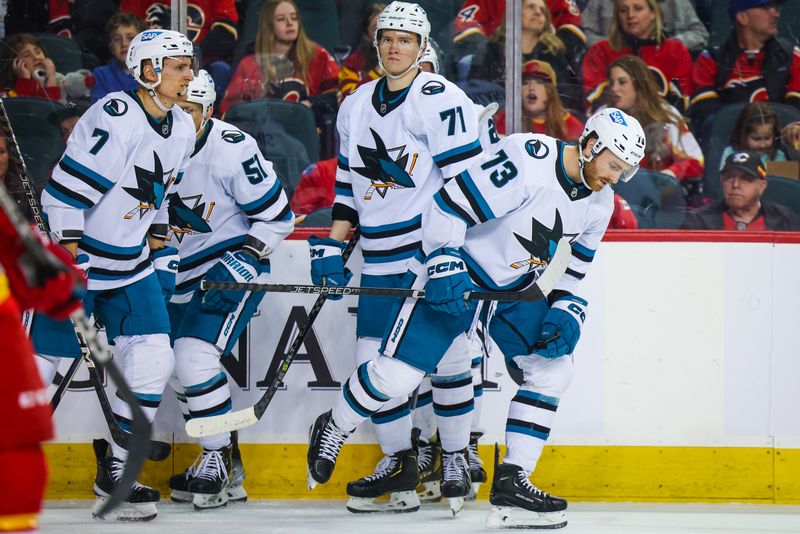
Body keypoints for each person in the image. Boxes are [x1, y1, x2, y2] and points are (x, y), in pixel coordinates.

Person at [306, 107, 646, 530]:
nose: (615, 177)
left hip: (514, 292)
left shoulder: (600, 200)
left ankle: (513, 480)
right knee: (396, 378)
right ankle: (333, 425)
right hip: (461, 274)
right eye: (614, 165)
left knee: (553, 371)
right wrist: (445, 257)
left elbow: (575, 262)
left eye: (625, 171)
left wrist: (565, 304)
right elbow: (448, 205)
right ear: (591, 144)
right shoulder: (528, 158)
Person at [306, 1, 487, 514]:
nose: (394, 46)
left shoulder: (438, 97)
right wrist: (337, 246)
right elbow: (346, 187)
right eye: (387, 37)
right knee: (372, 367)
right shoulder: (355, 104)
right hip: (378, 258)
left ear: (421, 45)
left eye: (405, 39)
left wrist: (452, 254)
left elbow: (465, 185)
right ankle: (401, 461)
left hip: (431, 253)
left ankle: (453, 456)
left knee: (451, 362)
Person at [39, 28, 197, 521]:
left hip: (128, 267)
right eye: (178, 67)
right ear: (148, 71)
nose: (189, 75)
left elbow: (158, 199)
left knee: (154, 354)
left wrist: (160, 249)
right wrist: (69, 262)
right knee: (38, 373)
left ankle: (117, 471)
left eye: (190, 65)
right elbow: (61, 197)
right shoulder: (117, 114)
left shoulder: (184, 127)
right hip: (78, 259)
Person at [165, 70, 294, 510]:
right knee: (166, 363)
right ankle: (230, 466)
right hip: (172, 272)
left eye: (190, 111)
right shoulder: (147, 142)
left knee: (192, 356)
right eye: (175, 109)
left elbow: (279, 216)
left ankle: (215, 456)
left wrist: (246, 258)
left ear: (208, 110)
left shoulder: (232, 149)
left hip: (229, 267)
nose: (181, 119)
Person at [691, 0, 800, 131]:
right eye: (766, 8)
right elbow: (708, 116)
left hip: (780, 143)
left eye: (776, 7)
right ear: (742, 17)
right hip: (729, 145)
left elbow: (794, 112)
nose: (776, 14)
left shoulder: (792, 56)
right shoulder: (709, 59)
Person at [220, 0, 339, 115]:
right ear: (268, 26)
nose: (290, 23)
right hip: (262, 131)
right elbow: (230, 109)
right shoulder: (249, 64)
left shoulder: (318, 55)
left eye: (294, 18)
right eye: (281, 19)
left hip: (307, 129)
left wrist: (313, 103)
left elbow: (337, 91)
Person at [466, 0, 581, 110]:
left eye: (542, 10)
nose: (537, 12)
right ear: (514, 12)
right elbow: (481, 93)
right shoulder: (494, 50)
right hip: (501, 120)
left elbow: (567, 95)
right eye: (531, 7)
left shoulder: (554, 53)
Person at [606, 55, 704, 182]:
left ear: (639, 85)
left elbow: (695, 162)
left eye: (622, 82)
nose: (614, 89)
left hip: (656, 194)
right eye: (611, 83)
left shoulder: (666, 115)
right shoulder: (603, 116)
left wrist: (668, 174)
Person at [582, 0, 692, 113]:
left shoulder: (676, 50)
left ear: (653, 13)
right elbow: (595, 100)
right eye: (623, 10)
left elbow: (680, 102)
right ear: (617, 16)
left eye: (638, 8)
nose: (630, 15)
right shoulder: (600, 50)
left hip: (660, 121)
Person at [120, 0, 239, 99]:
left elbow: (226, 34)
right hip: (153, 62)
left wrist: (192, 52)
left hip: (201, 63)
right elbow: (125, 30)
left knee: (220, 70)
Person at [682, 150, 800, 230]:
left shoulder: (786, 219)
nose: (736, 185)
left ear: (762, 185)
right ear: (721, 181)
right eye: (729, 177)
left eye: (746, 179)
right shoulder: (697, 220)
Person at [494, 60, 584, 139]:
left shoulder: (570, 126)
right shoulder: (506, 119)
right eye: (525, 83)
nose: (531, 87)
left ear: (550, 91)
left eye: (539, 82)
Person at [582, 0, 709, 54]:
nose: (630, 15)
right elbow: (582, 34)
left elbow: (699, 34)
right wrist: (613, 47)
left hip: (664, 65)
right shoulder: (599, 2)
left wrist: (666, 46)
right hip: (612, 65)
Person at [91, 12, 148, 103]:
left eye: (130, 38)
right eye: (117, 39)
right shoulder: (101, 74)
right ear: (111, 47)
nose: (124, 44)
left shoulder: (154, 73)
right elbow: (99, 110)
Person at [720, 102, 792, 169]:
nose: (762, 145)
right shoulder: (730, 154)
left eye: (767, 138)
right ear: (743, 135)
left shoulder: (778, 157)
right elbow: (724, 180)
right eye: (756, 139)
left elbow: (784, 182)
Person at [338, 3, 385, 102]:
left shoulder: (410, 58)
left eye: (387, 26)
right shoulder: (353, 63)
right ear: (367, 35)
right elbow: (347, 100)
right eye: (376, 29)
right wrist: (379, 70)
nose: (383, 33)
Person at [0, 33, 62, 100]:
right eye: (27, 56)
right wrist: (25, 80)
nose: (36, 57)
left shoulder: (59, 79)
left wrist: (51, 77)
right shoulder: (5, 92)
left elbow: (52, 107)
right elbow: (26, 107)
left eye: (38, 52)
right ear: (15, 63)